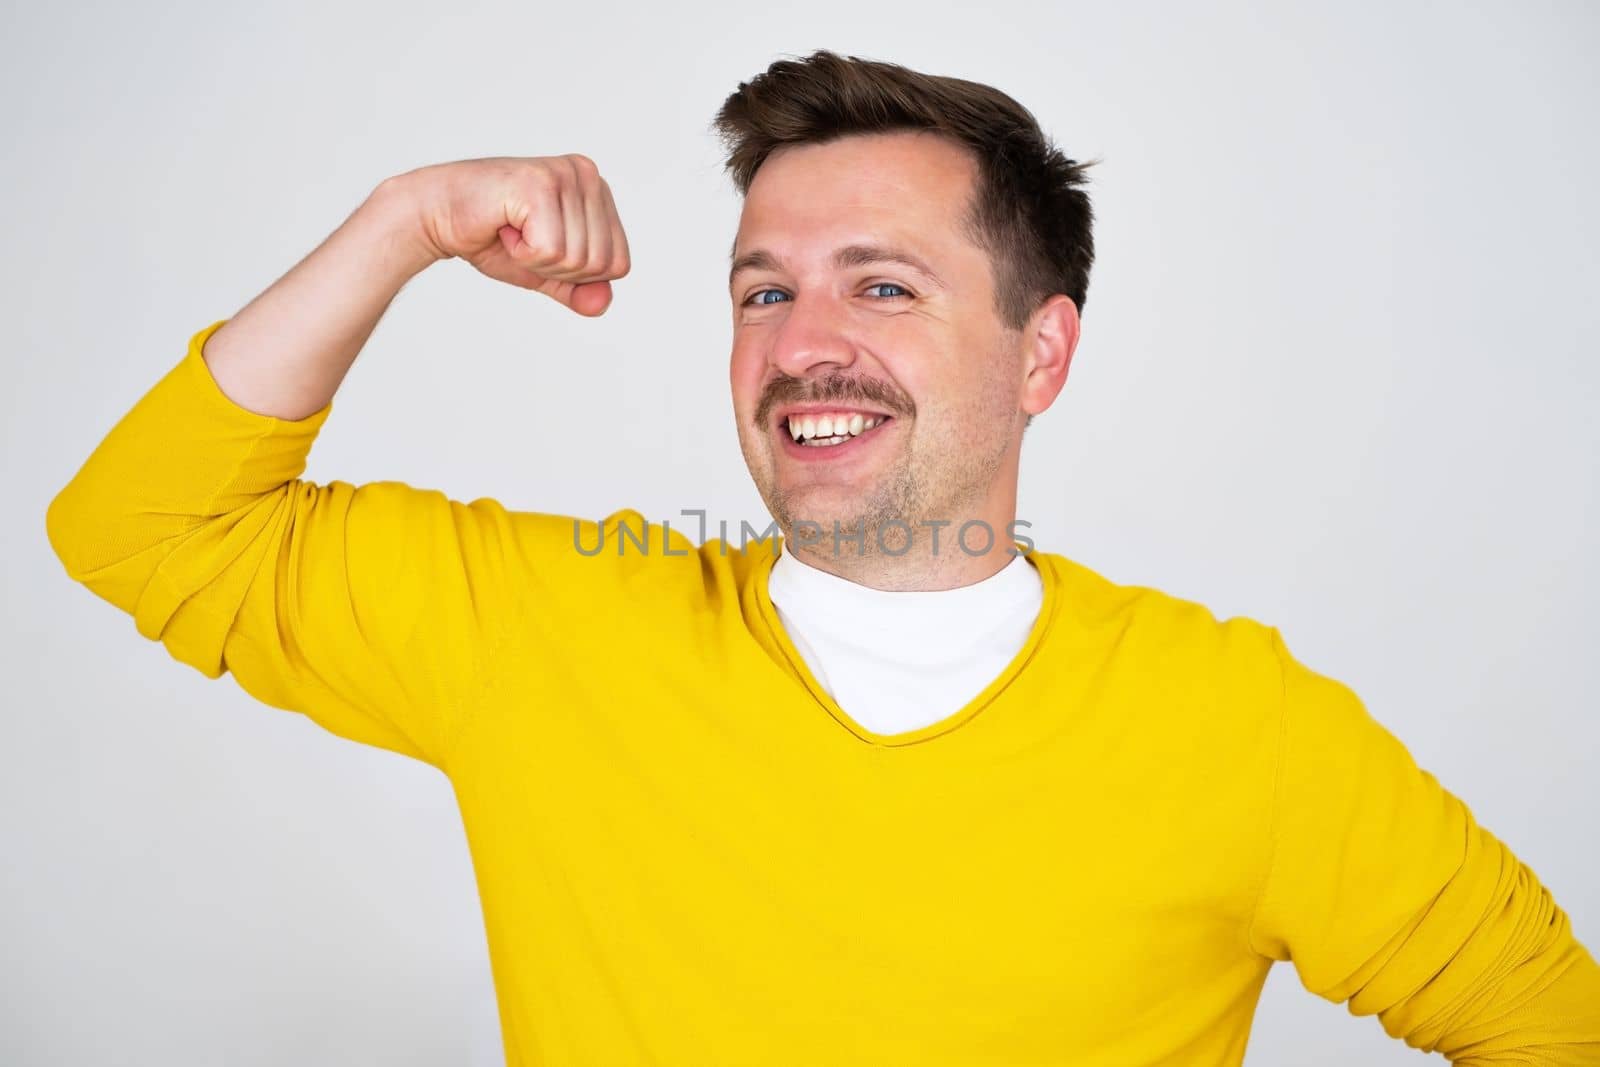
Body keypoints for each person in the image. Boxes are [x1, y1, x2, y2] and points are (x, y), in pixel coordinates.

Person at [45, 49, 1600, 1066]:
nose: (811, 348)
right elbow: (139, 527)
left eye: (887, 288)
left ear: (1041, 354)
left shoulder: (1241, 724)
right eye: (766, 293)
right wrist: (403, 222)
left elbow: (1548, 1023)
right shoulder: (551, 627)